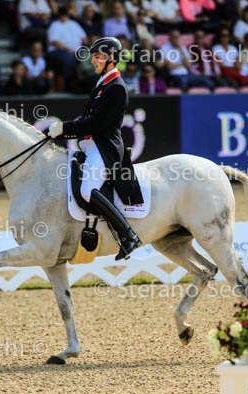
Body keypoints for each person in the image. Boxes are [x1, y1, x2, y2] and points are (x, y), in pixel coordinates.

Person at [47, 37, 143, 261]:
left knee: (87, 189)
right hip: (91, 146)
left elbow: (96, 124)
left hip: (105, 148)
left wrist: (65, 129)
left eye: (98, 57)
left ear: (111, 58)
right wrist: (63, 131)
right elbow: (87, 118)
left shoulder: (116, 87)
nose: (93, 61)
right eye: (94, 57)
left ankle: (128, 235)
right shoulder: (102, 84)